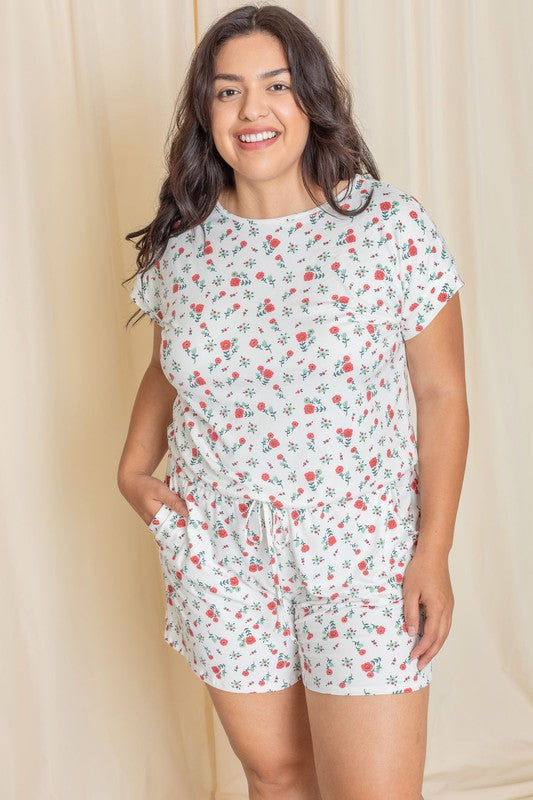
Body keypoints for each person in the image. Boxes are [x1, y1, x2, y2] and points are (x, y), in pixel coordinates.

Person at [118, 4, 469, 798]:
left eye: (275, 85)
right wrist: (134, 473)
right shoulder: (184, 250)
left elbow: (442, 394)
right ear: (204, 114)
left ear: (310, 99)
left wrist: (432, 551)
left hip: (364, 554)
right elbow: (169, 368)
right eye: (226, 90)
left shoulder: (389, 229)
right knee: (274, 776)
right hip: (223, 557)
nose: (252, 110)